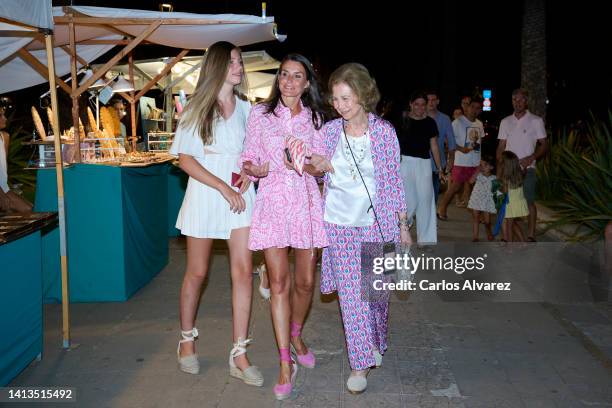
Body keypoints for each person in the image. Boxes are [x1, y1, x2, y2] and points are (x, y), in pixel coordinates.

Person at [310, 63, 411, 394]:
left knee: (376, 295)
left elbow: (393, 182)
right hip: (339, 224)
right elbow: (312, 167)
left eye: (347, 98)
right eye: (336, 98)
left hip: (376, 225)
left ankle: (375, 341)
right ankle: (359, 362)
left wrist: (402, 226)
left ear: (364, 95)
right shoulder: (328, 132)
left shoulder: (384, 133)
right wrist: (317, 167)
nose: (340, 105)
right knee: (352, 296)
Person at [168, 42, 263, 387]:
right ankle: (186, 341)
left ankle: (239, 353)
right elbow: (186, 159)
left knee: (243, 272)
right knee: (197, 271)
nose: (240, 67)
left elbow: (252, 154)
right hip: (207, 194)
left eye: (240, 62)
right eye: (234, 62)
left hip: (241, 194)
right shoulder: (197, 108)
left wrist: (251, 172)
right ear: (219, 65)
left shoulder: (248, 110)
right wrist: (224, 187)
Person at [239, 53, 328, 400]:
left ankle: (295, 332)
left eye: (297, 76)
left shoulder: (316, 118)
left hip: (306, 203)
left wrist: (309, 164)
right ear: (279, 79)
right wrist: (255, 168)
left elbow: (322, 167)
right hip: (273, 201)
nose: (289, 81)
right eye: (285, 75)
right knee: (279, 283)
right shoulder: (260, 115)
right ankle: (283, 361)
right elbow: (249, 156)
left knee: (306, 283)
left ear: (307, 84)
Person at [496, 88, 547, 242]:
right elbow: (501, 145)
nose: (517, 103)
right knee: (507, 203)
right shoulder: (505, 122)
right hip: (509, 170)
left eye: (520, 100)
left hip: (527, 169)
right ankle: (506, 237)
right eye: (514, 100)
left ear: (526, 101)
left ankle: (531, 235)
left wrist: (531, 157)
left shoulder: (536, 121)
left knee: (529, 201)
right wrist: (500, 161)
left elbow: (544, 145)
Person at [397, 92, 445, 243]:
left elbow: (434, 146)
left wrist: (440, 168)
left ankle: (426, 240)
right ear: (411, 104)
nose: (419, 107)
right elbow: (393, 144)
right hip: (404, 163)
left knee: (426, 200)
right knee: (408, 200)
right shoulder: (402, 120)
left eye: (423, 104)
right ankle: (400, 231)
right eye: (416, 104)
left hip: (424, 164)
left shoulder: (430, 122)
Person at [437, 98, 484, 220]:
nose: (474, 110)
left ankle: (479, 215)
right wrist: (460, 148)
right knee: (455, 187)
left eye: (478, 108)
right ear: (467, 107)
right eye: (472, 107)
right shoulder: (457, 123)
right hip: (460, 161)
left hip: (475, 162)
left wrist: (481, 159)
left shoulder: (479, 124)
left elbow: (479, 142)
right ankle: (442, 207)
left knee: (476, 188)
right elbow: (447, 140)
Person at [0, 106, 32, 213]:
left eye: (4, 115)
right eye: (1, 116)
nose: (5, 118)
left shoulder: (5, 137)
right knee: (27, 210)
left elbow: (4, 167)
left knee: (30, 208)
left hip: (4, 187)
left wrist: (9, 189)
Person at [426, 91, 456, 204]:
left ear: (438, 101)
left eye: (433, 100)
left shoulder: (445, 119)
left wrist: (451, 160)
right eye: (428, 100)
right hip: (420, 162)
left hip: (437, 164)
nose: (431, 102)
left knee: (433, 195)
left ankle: (431, 220)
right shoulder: (419, 116)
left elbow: (451, 141)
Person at [499, 151, 528, 242]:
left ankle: (510, 247)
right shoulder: (520, 175)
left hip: (510, 205)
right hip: (518, 204)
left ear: (505, 165)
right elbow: (524, 171)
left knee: (509, 226)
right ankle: (523, 242)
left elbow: (504, 192)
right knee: (514, 224)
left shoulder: (505, 179)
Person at [467, 156, 497, 241]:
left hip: (487, 200)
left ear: (491, 167)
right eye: (481, 165)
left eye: (485, 165)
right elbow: (470, 181)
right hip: (476, 198)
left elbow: (497, 190)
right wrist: (476, 171)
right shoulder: (478, 175)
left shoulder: (494, 178)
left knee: (487, 221)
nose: (482, 167)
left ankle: (489, 233)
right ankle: (475, 237)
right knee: (476, 218)